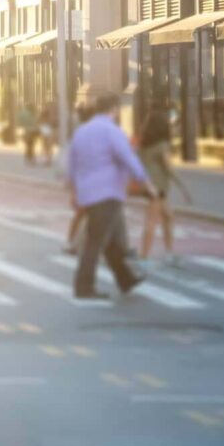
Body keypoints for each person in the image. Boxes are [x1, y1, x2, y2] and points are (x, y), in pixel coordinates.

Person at [66, 90, 156, 300]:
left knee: (110, 241)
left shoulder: (82, 131)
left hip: (88, 193)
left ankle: (125, 278)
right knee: (95, 242)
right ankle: (84, 286)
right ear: (114, 109)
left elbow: (72, 164)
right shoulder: (112, 131)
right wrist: (146, 183)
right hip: (108, 193)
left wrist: (73, 191)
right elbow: (128, 158)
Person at [136, 102, 180, 263]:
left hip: (149, 184)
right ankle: (144, 256)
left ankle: (169, 252)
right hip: (158, 186)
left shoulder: (144, 144)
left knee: (168, 216)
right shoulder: (162, 145)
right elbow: (168, 166)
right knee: (152, 220)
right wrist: (177, 177)